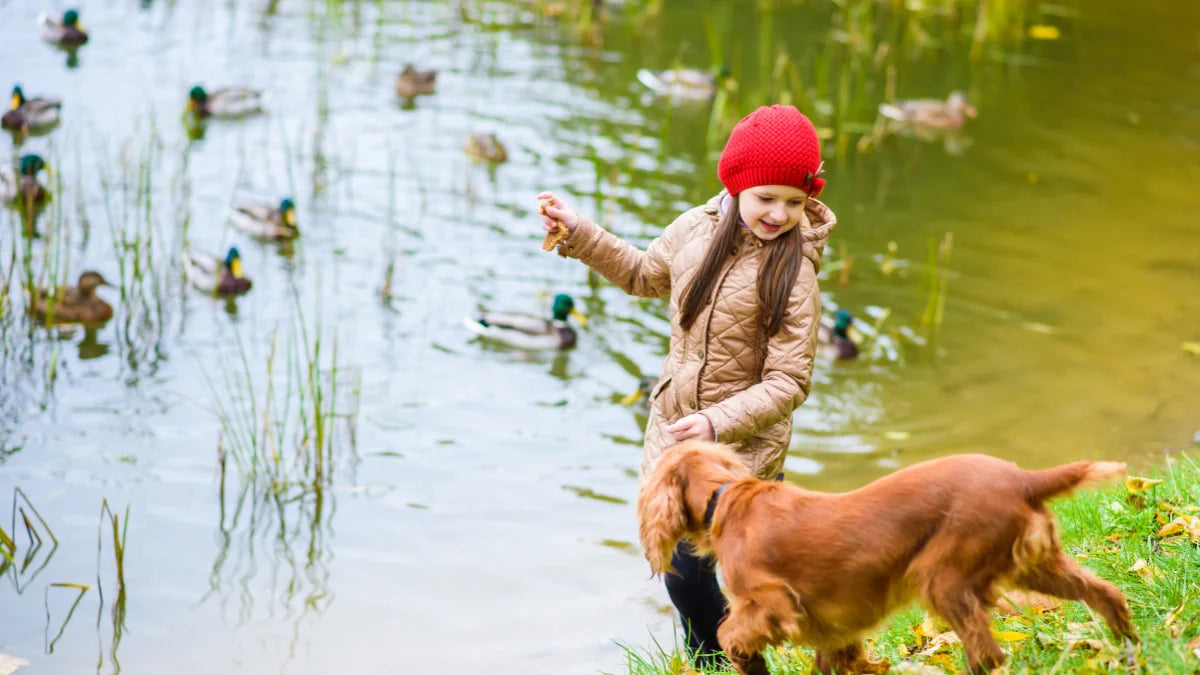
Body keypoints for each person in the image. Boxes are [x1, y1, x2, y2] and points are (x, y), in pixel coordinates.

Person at [537, 104, 837, 665]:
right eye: (766, 197)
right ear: (736, 185)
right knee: (681, 567)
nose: (779, 213)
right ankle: (718, 656)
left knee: (699, 572)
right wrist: (579, 234)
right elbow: (642, 274)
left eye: (794, 202)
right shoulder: (694, 230)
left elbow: (790, 381)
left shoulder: (795, 275)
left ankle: (725, 657)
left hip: (738, 451)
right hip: (673, 434)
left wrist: (717, 422)